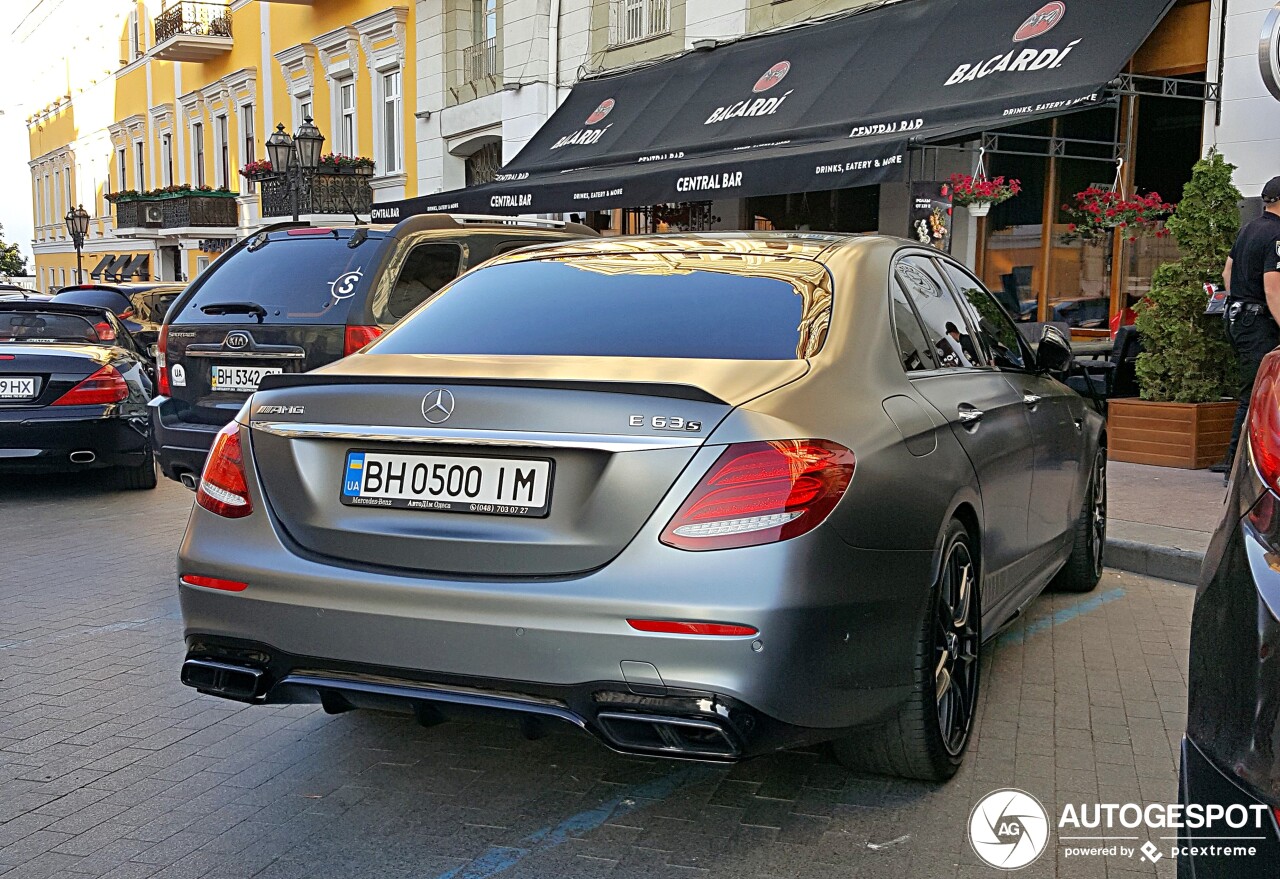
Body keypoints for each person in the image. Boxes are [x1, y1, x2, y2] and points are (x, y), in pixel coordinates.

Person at [1212, 176, 1280, 478]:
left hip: (1238, 319)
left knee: (1254, 391)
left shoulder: (1249, 228)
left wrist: (1238, 301)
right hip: (1259, 323)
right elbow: (1273, 288)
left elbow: (1228, 272)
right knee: (1257, 393)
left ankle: (1238, 462)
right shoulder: (1278, 236)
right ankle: (1236, 466)